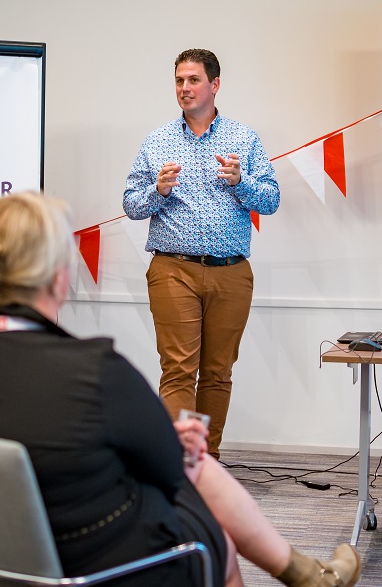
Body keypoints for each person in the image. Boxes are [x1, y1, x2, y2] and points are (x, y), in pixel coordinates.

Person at [0, 192, 359, 587]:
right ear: (58, 276)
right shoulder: (94, 370)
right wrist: (169, 444)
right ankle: (306, 575)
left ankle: (307, 575)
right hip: (94, 564)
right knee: (215, 531)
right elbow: (171, 473)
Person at [122, 48, 280, 458]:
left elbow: (271, 200)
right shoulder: (157, 141)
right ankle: (182, 465)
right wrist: (158, 190)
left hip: (231, 272)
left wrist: (241, 183)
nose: (185, 88)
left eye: (193, 80)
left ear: (215, 84)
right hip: (173, 269)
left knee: (217, 373)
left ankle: (206, 462)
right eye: (179, 80)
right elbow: (131, 205)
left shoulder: (244, 139)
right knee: (178, 370)